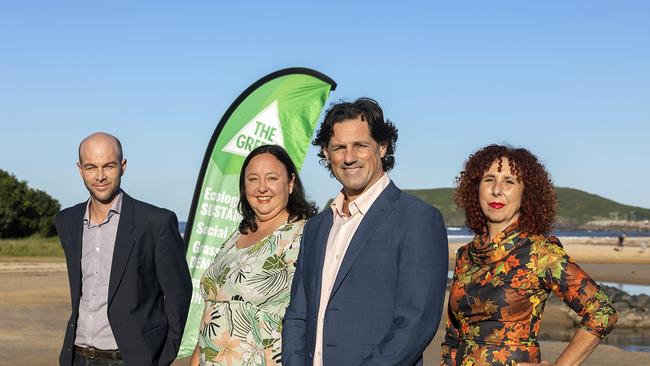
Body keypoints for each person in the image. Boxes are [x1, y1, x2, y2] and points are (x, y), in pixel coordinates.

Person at [282, 98, 449, 366]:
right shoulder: (316, 227)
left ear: (382, 147)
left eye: (360, 145)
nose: (349, 157)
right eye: (339, 147)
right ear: (326, 153)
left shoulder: (418, 219)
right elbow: (297, 314)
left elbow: (415, 323)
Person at [441, 144, 617, 366]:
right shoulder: (466, 255)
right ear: (475, 188)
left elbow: (602, 312)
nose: (497, 190)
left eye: (509, 181)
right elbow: (452, 337)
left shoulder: (540, 252)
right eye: (489, 179)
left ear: (526, 193)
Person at [55, 132, 193, 366]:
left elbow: (179, 293)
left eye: (108, 166)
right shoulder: (67, 221)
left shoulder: (155, 222)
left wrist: (161, 358)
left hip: (129, 359)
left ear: (123, 166)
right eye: (91, 167)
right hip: (76, 357)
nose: (100, 176)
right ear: (80, 169)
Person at [190, 144, 317, 366]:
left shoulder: (305, 235)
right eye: (253, 179)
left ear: (291, 183)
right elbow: (212, 312)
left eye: (272, 178)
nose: (262, 188)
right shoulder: (237, 235)